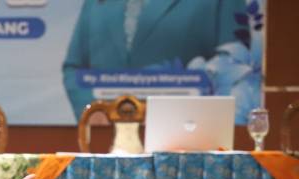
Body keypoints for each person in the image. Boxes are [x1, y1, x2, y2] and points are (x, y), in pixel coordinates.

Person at [62, 0, 247, 120]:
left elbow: (235, 61)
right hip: (106, 143)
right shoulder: (95, 3)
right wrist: (91, 110)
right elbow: (74, 68)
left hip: (186, 142)